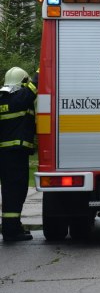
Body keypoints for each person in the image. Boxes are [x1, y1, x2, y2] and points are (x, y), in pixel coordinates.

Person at [0, 67, 37, 242]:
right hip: (15, 156)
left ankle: (12, 227)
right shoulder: (20, 97)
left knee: (9, 191)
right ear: (22, 81)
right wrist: (45, 64)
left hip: (4, 155)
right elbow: (35, 85)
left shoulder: (2, 100)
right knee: (15, 192)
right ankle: (11, 231)